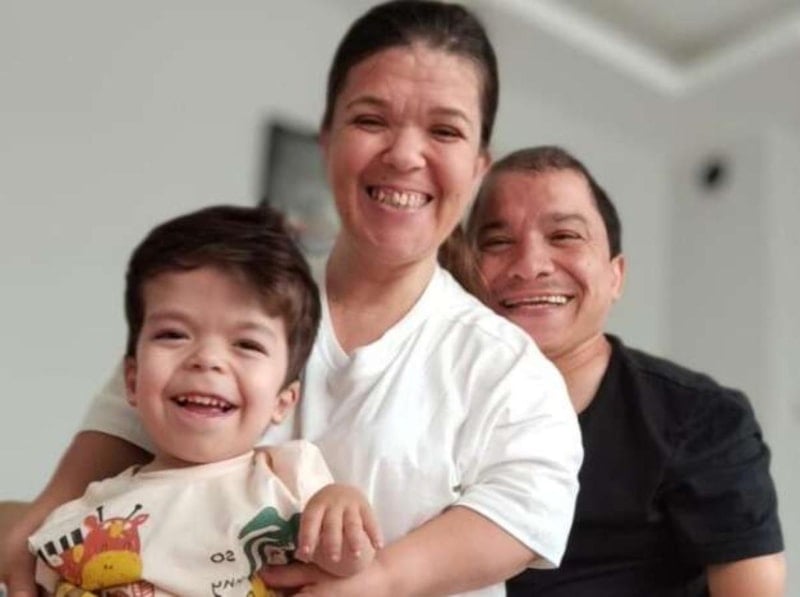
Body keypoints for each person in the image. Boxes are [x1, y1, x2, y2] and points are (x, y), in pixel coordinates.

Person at [0, 2, 583, 596]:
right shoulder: (235, 294)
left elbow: (524, 513)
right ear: (327, 139)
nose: (406, 155)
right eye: (371, 120)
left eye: (445, 131)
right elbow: (123, 424)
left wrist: (377, 582)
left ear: (479, 165)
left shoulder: (510, 373)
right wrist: (43, 517)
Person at [466, 145, 786, 596]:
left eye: (564, 236)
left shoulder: (699, 417)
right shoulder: (427, 404)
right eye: (498, 242)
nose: (530, 265)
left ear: (615, 275)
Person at [27, 205, 381, 595]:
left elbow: (348, 566)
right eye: (174, 334)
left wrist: (344, 506)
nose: (207, 359)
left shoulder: (290, 479)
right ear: (131, 380)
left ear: (284, 400)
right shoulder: (87, 519)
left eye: (246, 344)